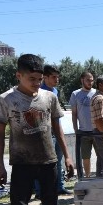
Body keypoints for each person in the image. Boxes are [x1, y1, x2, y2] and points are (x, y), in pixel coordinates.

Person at [0, 54, 74, 205]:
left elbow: (57, 129)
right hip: (21, 164)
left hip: (48, 162)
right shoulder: (7, 99)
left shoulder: (49, 98)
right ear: (19, 75)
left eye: (40, 78)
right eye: (32, 78)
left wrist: (67, 157)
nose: (37, 83)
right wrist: (0, 166)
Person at [38, 64, 71, 195]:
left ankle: (59, 186)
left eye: (58, 77)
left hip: (57, 131)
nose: (56, 80)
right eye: (53, 77)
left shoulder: (55, 91)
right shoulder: (39, 91)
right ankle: (40, 191)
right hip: (45, 132)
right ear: (44, 77)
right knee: (44, 163)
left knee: (58, 159)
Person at [69, 71, 95, 177]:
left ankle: (100, 177)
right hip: (84, 131)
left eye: (92, 80)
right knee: (85, 156)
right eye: (88, 80)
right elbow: (74, 114)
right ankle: (87, 177)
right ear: (82, 80)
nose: (90, 82)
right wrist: (76, 129)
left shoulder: (97, 93)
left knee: (101, 155)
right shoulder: (75, 94)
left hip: (97, 130)